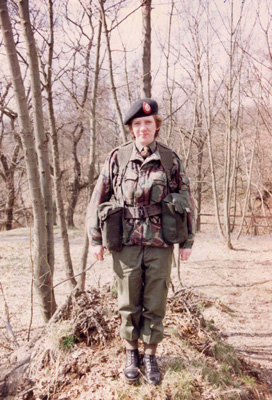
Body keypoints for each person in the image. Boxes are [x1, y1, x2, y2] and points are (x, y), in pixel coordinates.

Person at [86, 98, 195, 385]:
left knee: (155, 300)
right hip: (125, 241)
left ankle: (150, 353)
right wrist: (95, 239)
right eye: (137, 124)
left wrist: (187, 242)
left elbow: (187, 199)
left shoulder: (170, 159)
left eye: (148, 122)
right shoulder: (117, 158)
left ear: (155, 126)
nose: (143, 128)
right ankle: (130, 352)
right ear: (131, 129)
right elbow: (98, 198)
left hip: (161, 241)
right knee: (127, 300)